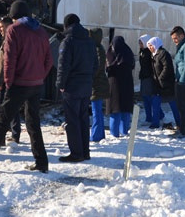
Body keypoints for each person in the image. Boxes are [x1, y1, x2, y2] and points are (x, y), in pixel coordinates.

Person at [0, 0, 52, 173]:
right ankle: (42, 162)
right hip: (36, 84)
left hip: (18, 84)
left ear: (13, 16)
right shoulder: (41, 31)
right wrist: (39, 76)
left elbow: (10, 60)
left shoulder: (14, 30)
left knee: (2, 120)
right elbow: (49, 60)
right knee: (33, 124)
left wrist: (8, 83)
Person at [56, 14, 97, 162]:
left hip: (72, 87)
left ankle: (76, 153)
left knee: (72, 120)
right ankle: (85, 152)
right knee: (83, 119)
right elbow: (95, 65)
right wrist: (88, 79)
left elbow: (63, 66)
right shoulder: (90, 41)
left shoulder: (68, 42)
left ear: (66, 25)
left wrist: (60, 85)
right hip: (86, 86)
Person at [0, 16, 21, 144]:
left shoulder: (8, 42)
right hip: (12, 80)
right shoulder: (14, 40)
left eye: (1, 27)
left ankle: (1, 137)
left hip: (5, 80)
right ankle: (15, 134)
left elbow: (5, 63)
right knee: (12, 108)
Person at [147, 36, 180, 130]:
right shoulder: (154, 54)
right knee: (155, 102)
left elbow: (167, 67)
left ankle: (179, 122)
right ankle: (155, 123)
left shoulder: (163, 53)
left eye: (151, 45)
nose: (150, 48)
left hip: (166, 84)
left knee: (172, 103)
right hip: (157, 84)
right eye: (148, 46)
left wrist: (161, 78)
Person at [106, 36, 135, 137]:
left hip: (114, 85)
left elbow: (108, 67)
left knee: (115, 110)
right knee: (125, 110)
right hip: (127, 85)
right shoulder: (127, 52)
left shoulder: (110, 54)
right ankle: (124, 131)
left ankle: (114, 133)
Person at [89, 27, 109, 142]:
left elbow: (97, 67)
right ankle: (99, 134)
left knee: (96, 111)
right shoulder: (98, 48)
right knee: (97, 111)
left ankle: (96, 135)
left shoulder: (96, 49)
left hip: (97, 84)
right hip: (99, 83)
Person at [138, 34, 156, 124]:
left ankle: (158, 114)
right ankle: (148, 116)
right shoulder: (142, 52)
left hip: (148, 76)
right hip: (143, 76)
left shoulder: (149, 53)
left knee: (149, 97)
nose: (140, 45)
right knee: (145, 97)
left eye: (141, 43)